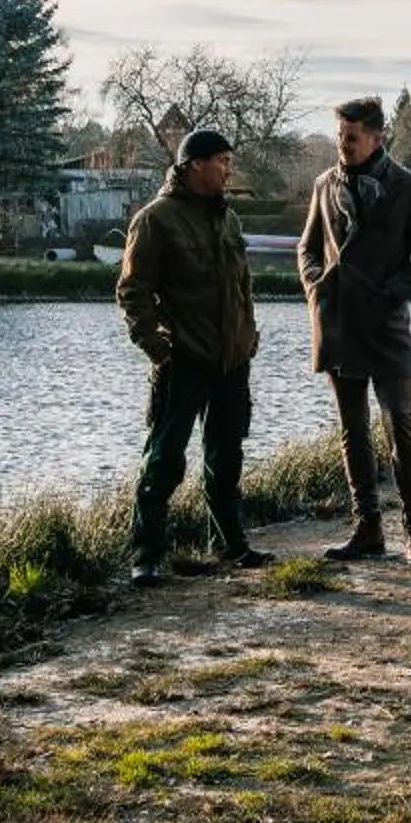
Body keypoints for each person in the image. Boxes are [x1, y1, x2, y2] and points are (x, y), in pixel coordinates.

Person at [297, 95, 411, 566]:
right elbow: (307, 249)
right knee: (352, 431)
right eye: (340, 136)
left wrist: (393, 289)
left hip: (385, 325)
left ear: (377, 137)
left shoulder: (409, 188)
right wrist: (316, 288)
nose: (343, 145)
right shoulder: (324, 185)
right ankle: (367, 529)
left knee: (399, 426)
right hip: (338, 322)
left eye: (351, 137)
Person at [115, 127, 266, 586]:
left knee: (227, 455)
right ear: (193, 164)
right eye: (221, 160)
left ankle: (229, 544)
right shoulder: (155, 219)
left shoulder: (228, 218)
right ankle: (147, 554)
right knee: (163, 460)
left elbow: (242, 287)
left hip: (232, 361)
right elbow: (132, 292)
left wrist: (249, 336)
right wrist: (158, 348)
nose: (228, 169)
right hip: (183, 362)